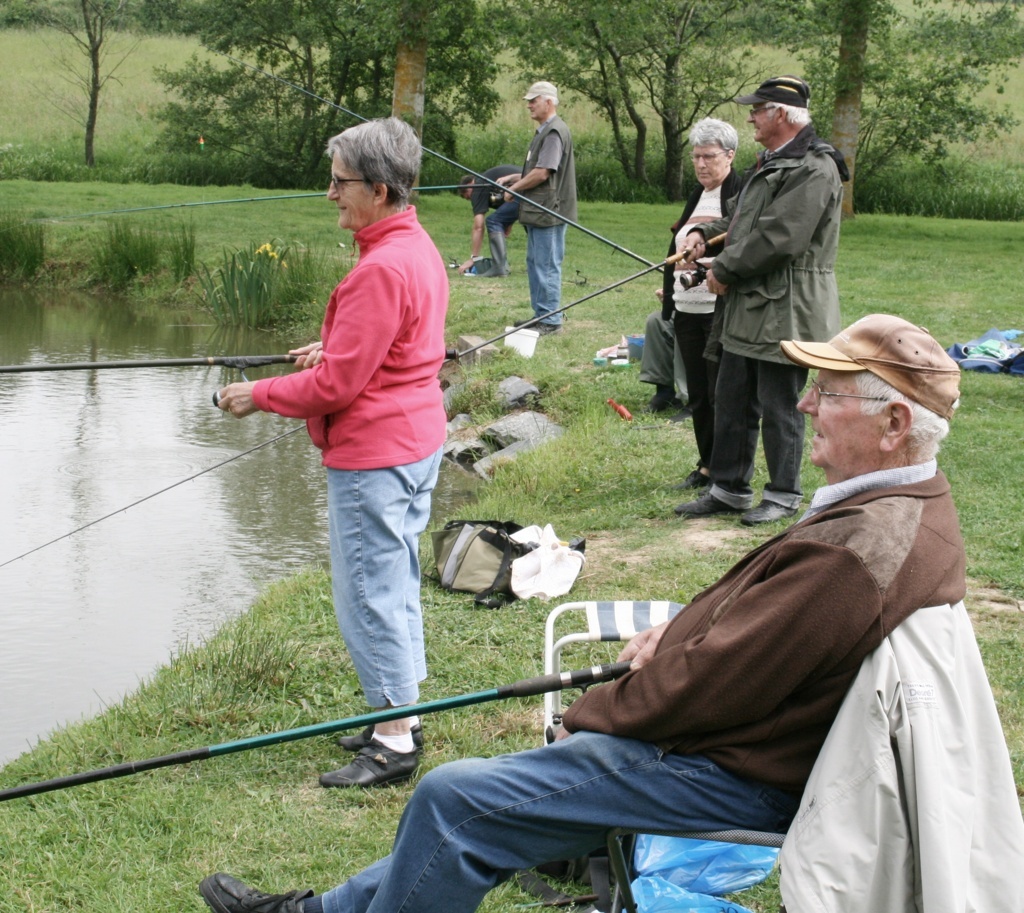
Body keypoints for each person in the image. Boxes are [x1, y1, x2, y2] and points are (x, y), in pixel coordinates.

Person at [199, 314, 980, 913]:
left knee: (453, 800)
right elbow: (756, 626)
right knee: (472, 808)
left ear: (894, 424)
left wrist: (599, 712)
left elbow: (718, 686)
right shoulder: (905, 505)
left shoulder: (860, 548)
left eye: (828, 392)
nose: (805, 402)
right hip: (741, 744)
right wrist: (673, 632)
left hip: (736, 771)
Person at [214, 118, 448, 789]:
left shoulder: (381, 266)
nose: (329, 194)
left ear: (379, 188)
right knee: (396, 579)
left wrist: (257, 393)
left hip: (375, 454)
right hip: (415, 438)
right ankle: (401, 712)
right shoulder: (413, 244)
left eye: (340, 182)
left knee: (369, 591)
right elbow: (387, 348)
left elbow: (337, 384)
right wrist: (339, 346)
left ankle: (396, 741)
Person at [674, 76, 849, 525]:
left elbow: (781, 237)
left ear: (782, 115)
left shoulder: (815, 167)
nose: (750, 115)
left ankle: (783, 494)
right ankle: (728, 488)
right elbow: (744, 220)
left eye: (758, 108)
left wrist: (726, 270)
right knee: (731, 397)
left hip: (788, 304)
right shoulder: (772, 161)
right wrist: (705, 235)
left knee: (779, 405)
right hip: (751, 304)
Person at [647, 119, 743, 493]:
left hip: (718, 310)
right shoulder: (696, 194)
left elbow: (737, 243)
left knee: (723, 394)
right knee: (700, 396)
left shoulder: (738, 193)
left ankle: (725, 471)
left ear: (730, 156)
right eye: (696, 157)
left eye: (709, 156)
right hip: (686, 307)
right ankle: (707, 466)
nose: (701, 164)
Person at [505, 80, 577, 336]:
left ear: (549, 102)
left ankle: (551, 320)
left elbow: (544, 172)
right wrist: (513, 178)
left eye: (534, 100)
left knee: (546, 265)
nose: (529, 105)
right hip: (539, 210)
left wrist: (515, 189)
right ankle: (541, 315)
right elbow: (537, 169)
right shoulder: (545, 131)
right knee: (536, 262)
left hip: (549, 211)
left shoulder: (554, 132)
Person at [455, 165, 520, 277]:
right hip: (538, 190)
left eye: (467, 196)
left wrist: (474, 259)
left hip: (524, 190)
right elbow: (508, 203)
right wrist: (509, 223)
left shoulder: (478, 185)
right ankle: (537, 265)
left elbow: (478, 226)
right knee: (531, 224)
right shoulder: (487, 179)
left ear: (469, 185)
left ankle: (499, 268)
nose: (470, 199)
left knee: (493, 221)